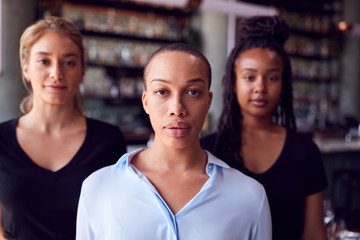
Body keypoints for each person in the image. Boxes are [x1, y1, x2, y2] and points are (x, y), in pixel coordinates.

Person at [76, 43, 272, 240]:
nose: (177, 108)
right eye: (162, 91)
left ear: (208, 101)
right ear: (146, 101)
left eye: (193, 91)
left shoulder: (249, 197)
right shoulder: (98, 188)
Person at [201, 16, 328, 240]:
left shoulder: (305, 151)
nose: (260, 87)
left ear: (284, 84)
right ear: (233, 82)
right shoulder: (207, 150)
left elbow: (314, 234)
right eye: (249, 77)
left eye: (271, 77)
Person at [0, 16, 126, 240]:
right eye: (44, 61)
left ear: (82, 70)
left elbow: (116, 221)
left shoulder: (108, 140)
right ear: (26, 68)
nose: (56, 73)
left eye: (68, 62)